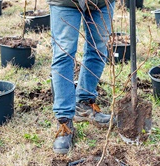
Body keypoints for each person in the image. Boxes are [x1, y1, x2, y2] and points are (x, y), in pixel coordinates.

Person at [48, 0, 115, 154]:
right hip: (66, 3)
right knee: (63, 54)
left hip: (102, 2)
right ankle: (64, 120)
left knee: (98, 50)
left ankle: (84, 103)